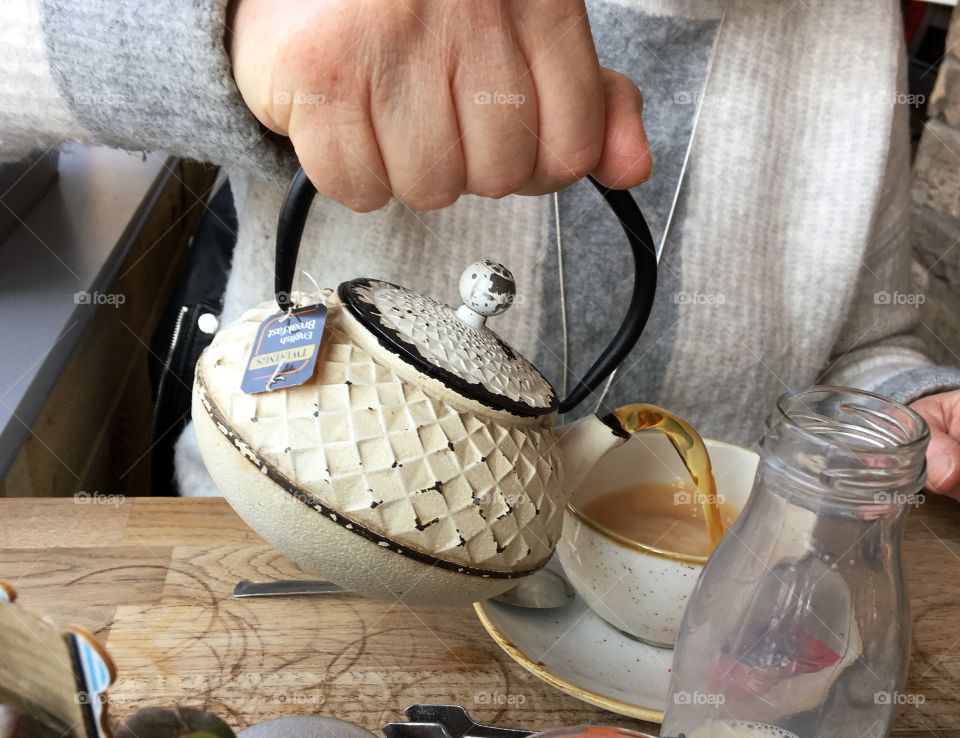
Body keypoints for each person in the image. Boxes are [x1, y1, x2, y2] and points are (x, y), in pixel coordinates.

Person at [3, 0, 960, 497]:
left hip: (689, 622)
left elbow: (865, 341)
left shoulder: (858, 24)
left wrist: (912, 406)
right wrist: (230, 25)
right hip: (299, 578)